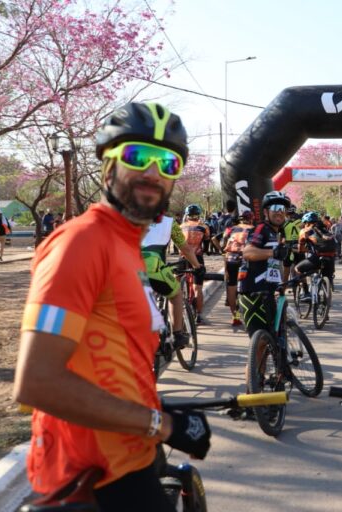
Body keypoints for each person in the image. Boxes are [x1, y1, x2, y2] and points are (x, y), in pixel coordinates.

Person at [13, 102, 211, 511]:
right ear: (108, 165)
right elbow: (37, 382)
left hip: (131, 458)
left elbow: (107, 360)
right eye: (138, 156)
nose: (153, 172)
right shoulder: (80, 244)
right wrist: (162, 423)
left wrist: (156, 409)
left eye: (168, 162)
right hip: (92, 480)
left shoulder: (126, 247)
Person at [141, 213, 203, 348]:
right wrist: (197, 266)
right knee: (176, 294)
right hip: (152, 266)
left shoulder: (125, 216)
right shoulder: (169, 222)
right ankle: (177, 335)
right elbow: (185, 249)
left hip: (124, 266)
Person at [237, 191, 291, 337]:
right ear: (266, 211)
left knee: (275, 336)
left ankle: (281, 357)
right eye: (275, 207)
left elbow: (277, 263)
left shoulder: (278, 233)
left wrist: (283, 283)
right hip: (253, 292)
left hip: (269, 291)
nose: (280, 212)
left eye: (282, 208)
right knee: (259, 343)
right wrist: (272, 253)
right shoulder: (261, 229)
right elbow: (247, 252)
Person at [219, 210, 254, 326]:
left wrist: (223, 252)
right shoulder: (254, 229)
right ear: (251, 218)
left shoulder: (230, 229)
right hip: (246, 260)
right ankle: (250, 315)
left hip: (231, 260)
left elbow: (220, 243)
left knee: (231, 287)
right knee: (248, 288)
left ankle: (236, 317)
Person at [180, 204, 211, 324]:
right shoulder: (203, 226)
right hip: (197, 257)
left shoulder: (180, 226)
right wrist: (207, 251)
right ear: (198, 215)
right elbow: (207, 242)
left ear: (187, 215)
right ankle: (199, 315)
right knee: (198, 288)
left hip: (182, 257)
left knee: (177, 285)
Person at [296, 211, 337, 292]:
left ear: (306, 223)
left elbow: (300, 249)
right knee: (327, 276)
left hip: (317, 257)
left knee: (297, 268)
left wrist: (306, 249)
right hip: (331, 258)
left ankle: (305, 292)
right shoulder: (325, 229)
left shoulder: (305, 231)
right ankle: (326, 297)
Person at [282, 205, 302, 281]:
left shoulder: (284, 223)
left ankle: (282, 291)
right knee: (301, 269)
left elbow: (281, 238)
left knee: (286, 271)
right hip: (299, 245)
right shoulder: (300, 221)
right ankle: (306, 289)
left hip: (288, 247)